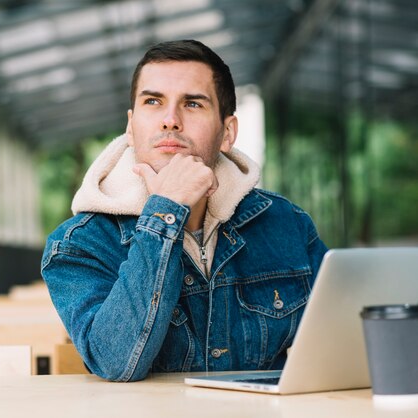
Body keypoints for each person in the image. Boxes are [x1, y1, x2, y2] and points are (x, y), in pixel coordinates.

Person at [41, 39, 328, 382]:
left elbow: (343, 341)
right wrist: (166, 212)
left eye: (192, 104)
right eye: (153, 101)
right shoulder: (78, 245)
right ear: (131, 128)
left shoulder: (287, 225)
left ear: (227, 132)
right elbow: (116, 362)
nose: (170, 120)